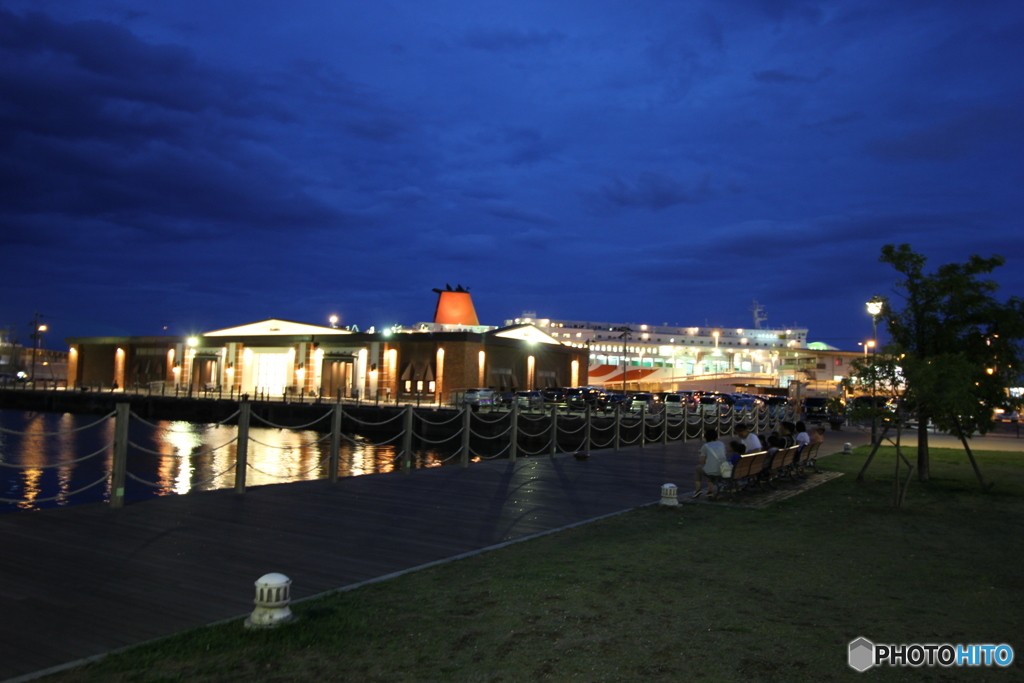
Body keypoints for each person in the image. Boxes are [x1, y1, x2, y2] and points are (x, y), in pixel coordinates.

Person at [693, 428, 726, 497]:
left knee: (698, 469)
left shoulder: (705, 446)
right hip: (723, 470)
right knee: (711, 467)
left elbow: (702, 462)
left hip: (712, 471)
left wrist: (700, 454)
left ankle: (698, 490)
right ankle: (709, 491)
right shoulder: (721, 444)